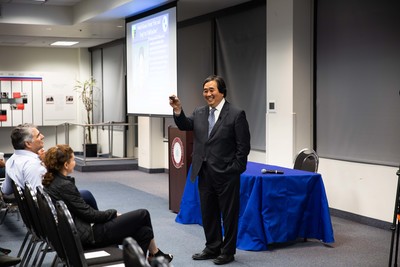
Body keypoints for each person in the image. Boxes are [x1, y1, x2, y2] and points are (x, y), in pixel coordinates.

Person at [42, 144, 173, 263]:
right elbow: (89, 215)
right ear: (66, 165)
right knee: (143, 214)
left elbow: (83, 211)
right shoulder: (64, 185)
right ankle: (154, 254)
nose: (75, 162)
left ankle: (149, 258)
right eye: (73, 159)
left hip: (79, 231)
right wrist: (113, 213)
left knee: (145, 232)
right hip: (89, 235)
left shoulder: (54, 181)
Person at [169, 75, 251, 265]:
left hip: (227, 174)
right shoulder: (199, 112)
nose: (208, 94)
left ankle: (228, 251)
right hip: (204, 172)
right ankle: (213, 247)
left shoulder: (236, 114)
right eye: (205, 90)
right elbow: (185, 125)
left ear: (222, 91)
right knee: (208, 212)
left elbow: (243, 147)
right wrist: (178, 110)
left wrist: (235, 169)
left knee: (229, 215)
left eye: (211, 90)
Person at [0, 123, 98, 210]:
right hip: (50, 214)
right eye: (38, 135)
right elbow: (41, 201)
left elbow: (6, 190)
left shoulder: (12, 160)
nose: (42, 136)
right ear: (28, 144)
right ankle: (98, 227)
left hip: (31, 211)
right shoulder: (33, 165)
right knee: (86, 195)